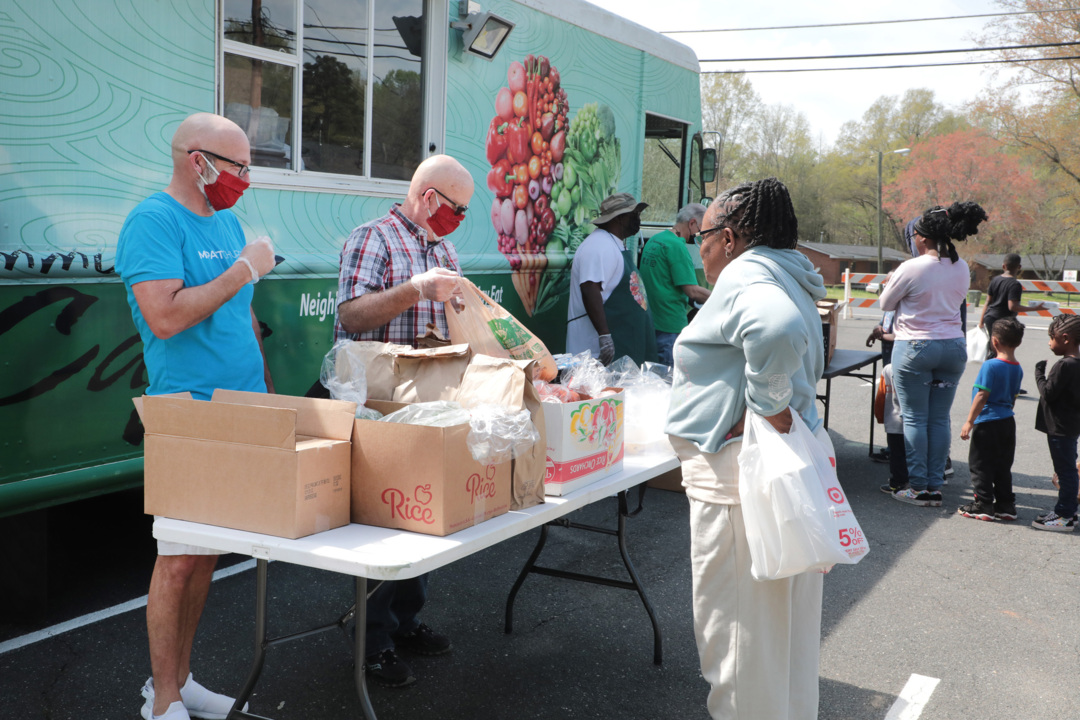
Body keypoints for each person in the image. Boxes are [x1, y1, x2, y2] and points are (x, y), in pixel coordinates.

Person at [117, 113, 276, 720]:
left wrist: (263, 390)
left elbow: (240, 321)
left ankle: (182, 680)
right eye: (238, 166)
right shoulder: (152, 222)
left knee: (207, 553)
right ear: (198, 161)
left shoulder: (227, 220)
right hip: (187, 414)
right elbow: (165, 317)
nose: (245, 179)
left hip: (239, 411)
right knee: (178, 559)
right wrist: (245, 268)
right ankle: (159, 702)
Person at [665, 178, 826, 720]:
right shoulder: (790, 274)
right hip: (777, 469)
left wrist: (769, 403)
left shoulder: (746, 277)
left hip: (740, 480)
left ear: (729, 238)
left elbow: (774, 331)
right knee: (783, 640)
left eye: (703, 237)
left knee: (736, 642)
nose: (700, 248)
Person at [333, 154, 469, 686]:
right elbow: (350, 314)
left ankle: (406, 620)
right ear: (429, 197)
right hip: (379, 403)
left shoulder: (443, 247)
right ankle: (371, 639)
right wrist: (416, 288)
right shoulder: (374, 238)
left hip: (429, 400)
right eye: (456, 208)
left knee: (424, 518)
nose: (460, 220)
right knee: (386, 524)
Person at [880, 201, 986, 508]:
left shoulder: (911, 267)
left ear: (922, 237)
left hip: (915, 347)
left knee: (914, 417)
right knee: (939, 419)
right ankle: (935, 485)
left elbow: (886, 303)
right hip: (952, 348)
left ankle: (918, 487)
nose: (912, 240)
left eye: (914, 236)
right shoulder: (962, 266)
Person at [566, 193, 657, 365]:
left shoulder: (614, 243)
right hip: (597, 349)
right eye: (634, 215)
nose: (638, 219)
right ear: (619, 218)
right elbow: (589, 289)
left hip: (625, 344)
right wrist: (604, 336)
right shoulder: (598, 245)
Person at [957, 317, 1025, 521]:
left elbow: (982, 395)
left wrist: (969, 421)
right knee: (1002, 465)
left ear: (994, 341)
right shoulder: (1017, 367)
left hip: (987, 421)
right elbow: (1013, 397)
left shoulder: (991, 366)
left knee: (981, 465)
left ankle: (983, 503)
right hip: (1007, 422)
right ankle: (1006, 505)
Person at [638, 203, 711, 365]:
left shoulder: (655, 241)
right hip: (670, 327)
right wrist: (721, 298)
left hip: (651, 324)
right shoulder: (677, 246)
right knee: (667, 384)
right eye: (701, 229)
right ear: (692, 223)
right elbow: (692, 291)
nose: (701, 235)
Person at [1032, 314, 1080, 531]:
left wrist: (1039, 374)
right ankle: (1066, 510)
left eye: (1051, 338)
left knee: (1065, 471)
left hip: (1059, 428)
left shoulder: (1064, 365)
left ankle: (1065, 514)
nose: (1049, 343)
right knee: (1067, 468)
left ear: (1065, 338)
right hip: (1070, 425)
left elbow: (1048, 393)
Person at [980, 253, 1045, 366]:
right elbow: (1012, 306)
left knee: (993, 345)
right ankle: (994, 368)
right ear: (1019, 267)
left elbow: (987, 301)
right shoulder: (1014, 284)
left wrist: (981, 321)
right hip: (1003, 320)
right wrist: (1035, 308)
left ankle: (989, 366)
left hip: (990, 317)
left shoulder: (995, 280)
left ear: (1003, 266)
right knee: (1002, 349)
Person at [877, 362, 910, 495]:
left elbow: (881, 396)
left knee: (897, 454)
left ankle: (898, 483)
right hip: (917, 421)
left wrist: (880, 417)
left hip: (894, 419)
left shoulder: (889, 369)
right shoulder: (923, 366)